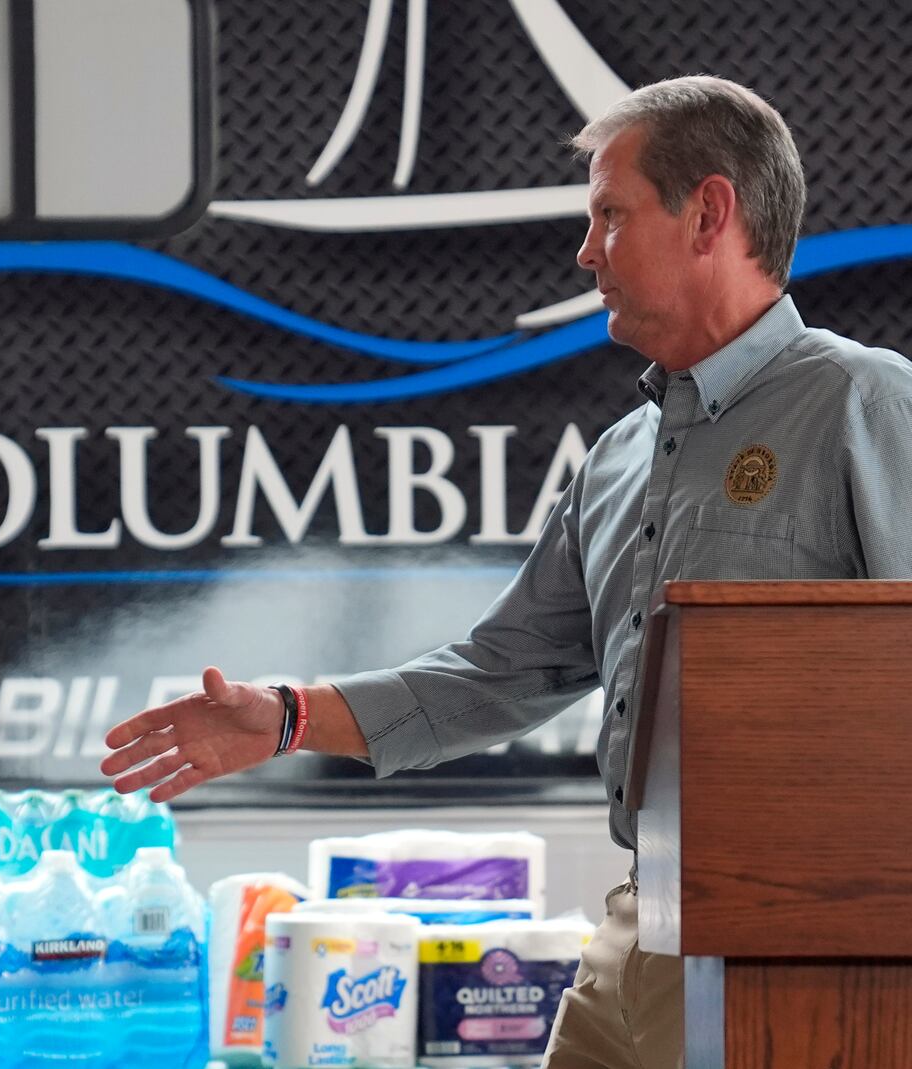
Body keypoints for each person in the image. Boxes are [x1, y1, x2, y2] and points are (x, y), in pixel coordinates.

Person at [102, 75, 912, 1069]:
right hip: (640, 921)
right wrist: (286, 716)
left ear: (707, 213)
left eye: (610, 216)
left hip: (807, 946)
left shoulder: (863, 403)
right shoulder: (616, 457)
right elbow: (497, 675)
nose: (584, 253)